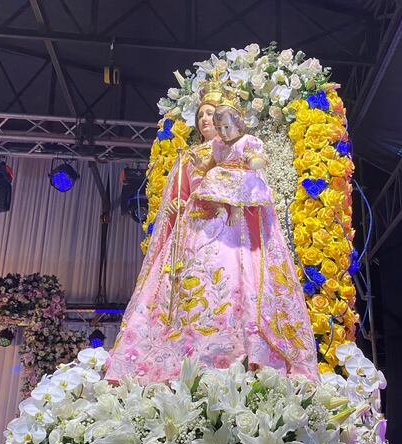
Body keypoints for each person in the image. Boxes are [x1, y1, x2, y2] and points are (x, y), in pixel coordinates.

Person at [106, 78, 318, 383]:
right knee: (194, 289)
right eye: (202, 115)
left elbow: (253, 181)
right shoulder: (190, 158)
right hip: (196, 229)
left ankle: (243, 350)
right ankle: (188, 351)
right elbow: (177, 199)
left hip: (236, 230)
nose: (208, 119)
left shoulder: (239, 146)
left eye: (213, 113)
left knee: (238, 282)